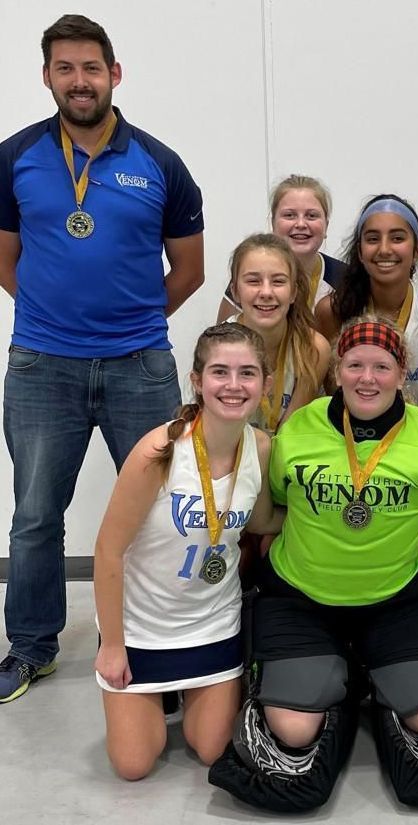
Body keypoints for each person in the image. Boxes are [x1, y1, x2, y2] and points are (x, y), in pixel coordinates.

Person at [208, 316, 418, 811]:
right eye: (354, 365)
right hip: (301, 598)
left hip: (398, 601)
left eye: (382, 366)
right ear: (337, 370)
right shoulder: (300, 428)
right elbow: (276, 505)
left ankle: (370, 678)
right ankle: (345, 681)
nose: (367, 378)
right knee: (292, 728)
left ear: (402, 373)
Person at [0, 14, 204, 703]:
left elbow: (190, 269)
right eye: (65, 68)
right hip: (41, 367)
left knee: (160, 511)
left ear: (114, 74)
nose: (79, 81)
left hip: (139, 365)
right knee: (34, 516)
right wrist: (52, 317)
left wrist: (134, 322)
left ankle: (156, 643)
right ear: (47, 77)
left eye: (91, 68)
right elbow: (6, 257)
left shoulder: (160, 163)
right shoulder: (15, 157)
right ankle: (31, 648)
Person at [94, 323, 283, 780]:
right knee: (134, 765)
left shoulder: (259, 447)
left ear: (266, 383)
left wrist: (324, 522)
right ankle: (149, 695)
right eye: (220, 372)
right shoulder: (157, 452)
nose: (234, 386)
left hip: (213, 624)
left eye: (247, 374)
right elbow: (107, 552)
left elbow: (259, 522)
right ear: (197, 381)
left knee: (212, 749)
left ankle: (184, 693)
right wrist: (114, 646)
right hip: (142, 628)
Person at [315, 194, 418, 414]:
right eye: (373, 239)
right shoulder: (332, 311)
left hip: (414, 441)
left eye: (397, 238)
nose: (384, 249)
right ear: (360, 251)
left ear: (417, 251)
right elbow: (333, 398)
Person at [224, 233, 330, 432]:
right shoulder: (217, 348)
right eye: (253, 281)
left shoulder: (313, 349)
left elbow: (289, 435)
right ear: (235, 292)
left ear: (293, 292)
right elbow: (219, 433)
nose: (266, 292)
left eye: (278, 282)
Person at [217, 174, 344, 321]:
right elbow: (222, 337)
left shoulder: (345, 279)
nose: (301, 224)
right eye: (290, 215)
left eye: (311, 215)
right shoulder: (252, 274)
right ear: (273, 223)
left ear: (326, 226)